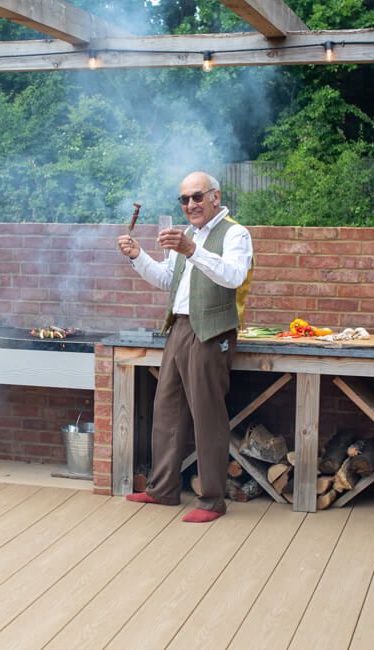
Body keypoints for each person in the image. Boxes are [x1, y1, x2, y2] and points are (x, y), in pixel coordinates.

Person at [116, 171, 254, 523]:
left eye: (197, 197)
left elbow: (234, 276)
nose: (190, 204)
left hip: (211, 333)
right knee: (167, 410)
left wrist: (193, 250)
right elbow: (167, 280)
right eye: (184, 199)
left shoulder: (235, 233)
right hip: (178, 327)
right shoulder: (187, 235)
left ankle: (212, 501)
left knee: (207, 415)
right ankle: (163, 490)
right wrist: (138, 256)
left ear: (215, 197)